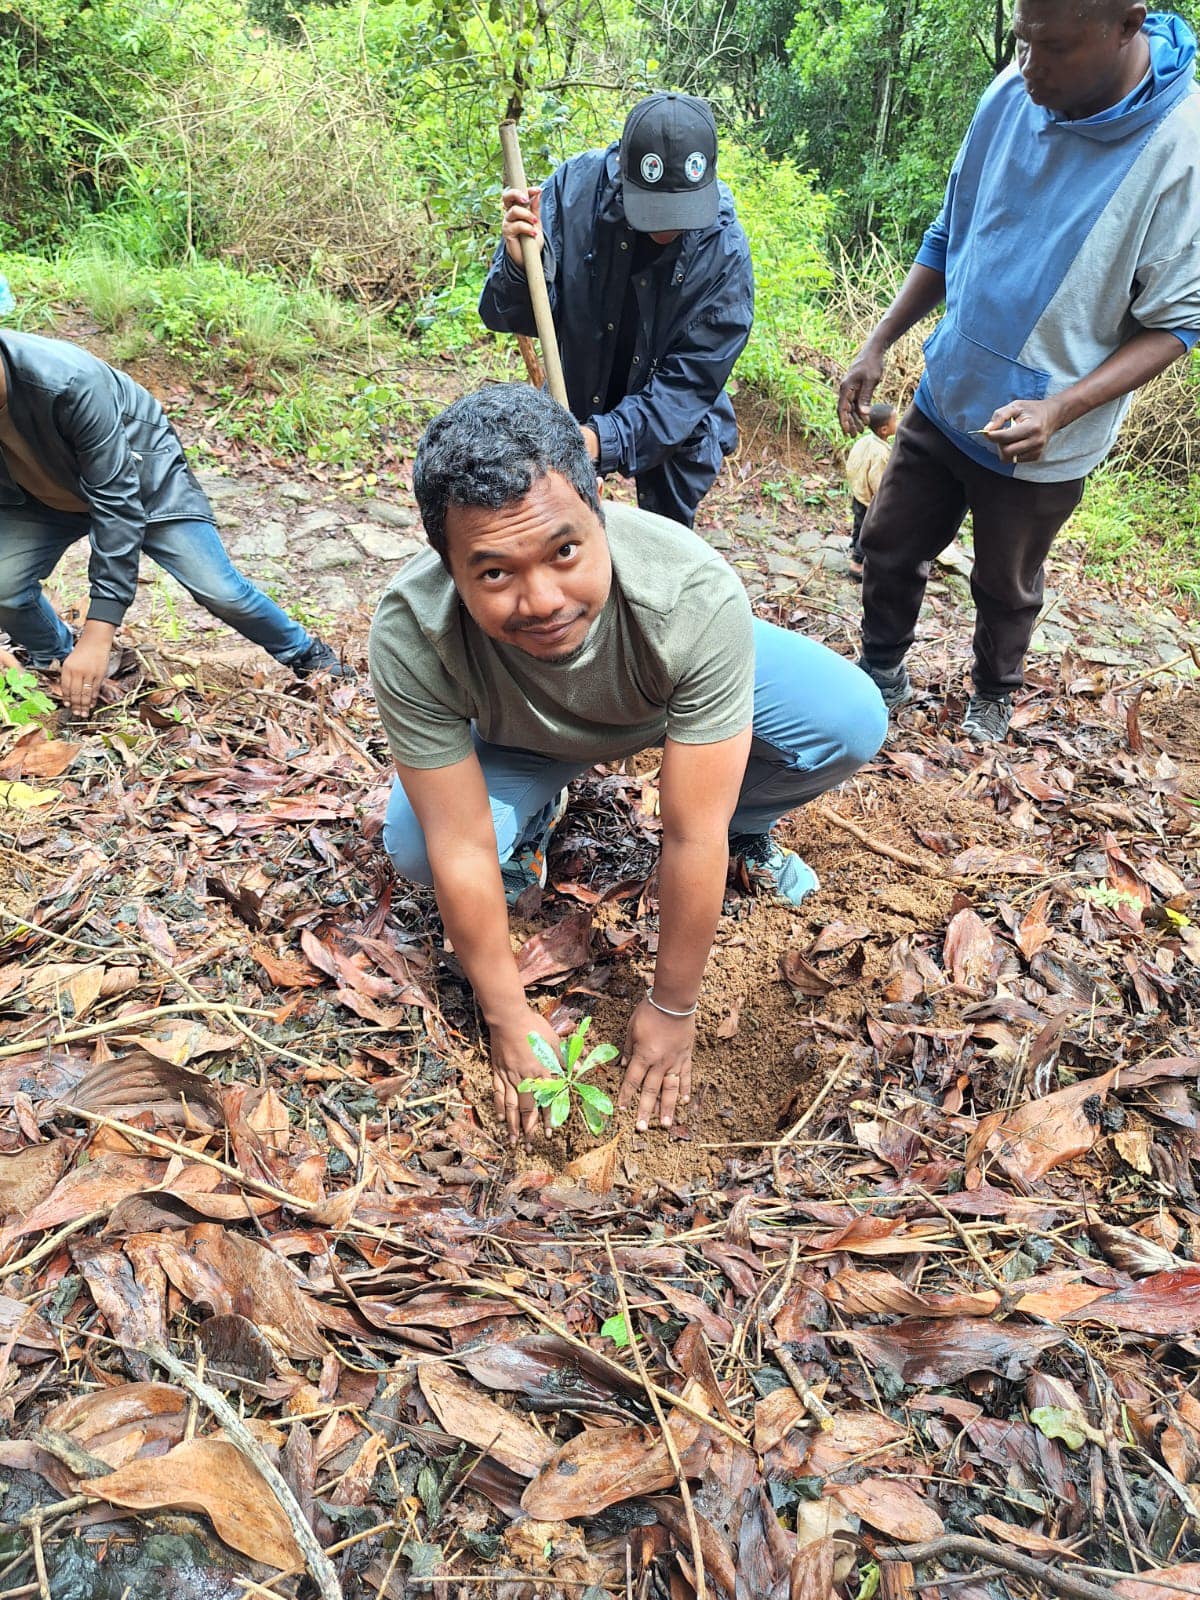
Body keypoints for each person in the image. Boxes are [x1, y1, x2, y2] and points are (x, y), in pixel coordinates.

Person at [368, 385, 886, 1144]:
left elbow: (689, 833)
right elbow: (459, 845)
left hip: (662, 695)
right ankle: (535, 815)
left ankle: (752, 827)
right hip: (522, 737)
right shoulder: (413, 631)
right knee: (415, 847)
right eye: (495, 574)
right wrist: (506, 1012)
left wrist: (673, 1006)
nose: (543, 600)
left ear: (600, 515)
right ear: (449, 569)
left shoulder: (691, 594)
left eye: (564, 552)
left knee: (849, 719)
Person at [838, 0, 1200, 744]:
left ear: (1127, 25)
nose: (1031, 66)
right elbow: (951, 230)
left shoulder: (1180, 148)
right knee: (888, 540)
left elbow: (1177, 323)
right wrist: (878, 341)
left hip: (1041, 439)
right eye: (1022, 40)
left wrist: (1060, 409)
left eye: (1055, 47)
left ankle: (992, 696)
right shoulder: (1012, 90)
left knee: (1005, 583)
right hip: (949, 391)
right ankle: (881, 672)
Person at [0, 327, 348, 716]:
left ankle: (308, 655)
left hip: (141, 482)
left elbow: (118, 504)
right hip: (39, 496)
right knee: (4, 584)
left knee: (221, 590)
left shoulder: (70, 382)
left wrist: (98, 635)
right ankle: (59, 664)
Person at [478, 92, 754, 528]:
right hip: (579, 383)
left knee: (666, 540)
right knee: (559, 526)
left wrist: (595, 441)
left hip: (673, 419)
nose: (668, 226)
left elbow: (688, 384)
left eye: (682, 212)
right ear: (622, 172)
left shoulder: (723, 252)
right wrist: (519, 265)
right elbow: (507, 315)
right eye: (654, 210)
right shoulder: (572, 192)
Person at [845, 401, 897, 577]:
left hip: (858, 493)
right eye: (895, 421)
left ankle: (854, 548)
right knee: (868, 532)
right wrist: (884, 499)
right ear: (884, 429)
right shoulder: (881, 453)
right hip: (870, 499)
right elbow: (878, 481)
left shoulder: (865, 441)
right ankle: (857, 564)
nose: (898, 424)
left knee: (859, 525)